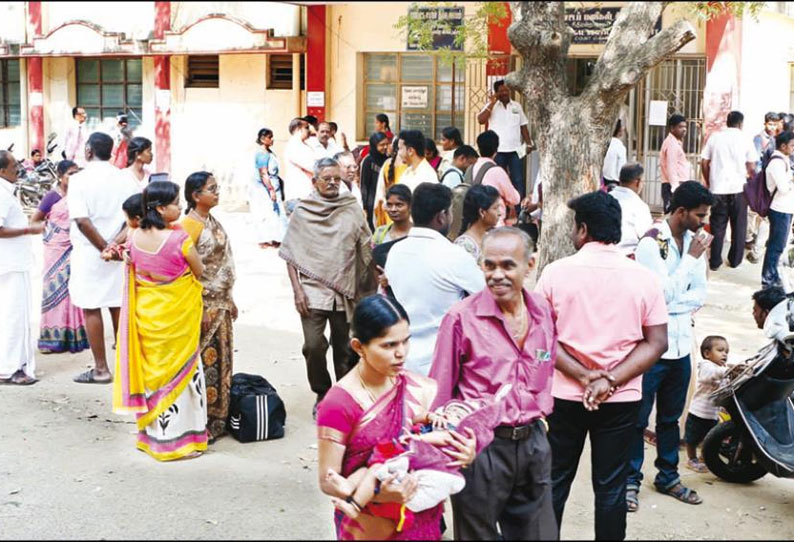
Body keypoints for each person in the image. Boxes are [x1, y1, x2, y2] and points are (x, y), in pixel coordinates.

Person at [534, 191, 669, 541]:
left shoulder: (554, 273)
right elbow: (657, 343)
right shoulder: (643, 278)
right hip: (620, 399)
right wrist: (609, 380)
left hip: (563, 396)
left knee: (554, 482)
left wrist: (582, 376)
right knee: (611, 488)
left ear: (582, 230)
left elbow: (540, 339)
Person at [431, 227, 558, 540]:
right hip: (479, 448)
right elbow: (439, 395)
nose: (497, 275)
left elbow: (546, 368)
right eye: (489, 265)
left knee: (541, 534)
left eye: (507, 265)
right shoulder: (461, 318)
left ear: (529, 265)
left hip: (533, 443)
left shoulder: (543, 310)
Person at [316, 294, 476, 540]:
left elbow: (428, 448)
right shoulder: (339, 403)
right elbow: (328, 481)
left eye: (405, 342)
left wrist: (463, 454)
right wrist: (381, 493)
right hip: (367, 525)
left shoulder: (417, 387)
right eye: (389, 345)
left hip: (420, 520)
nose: (401, 353)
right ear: (359, 347)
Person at [627, 181, 714, 511]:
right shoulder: (652, 243)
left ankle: (668, 476)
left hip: (680, 346)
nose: (703, 222)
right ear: (681, 212)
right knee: (637, 418)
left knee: (669, 418)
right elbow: (660, 296)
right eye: (699, 215)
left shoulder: (694, 241)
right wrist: (689, 264)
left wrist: (674, 299)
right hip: (652, 348)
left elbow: (699, 295)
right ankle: (630, 481)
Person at [113, 180, 208, 461]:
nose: (180, 207)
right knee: (182, 376)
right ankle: (181, 443)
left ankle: (154, 438)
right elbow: (199, 271)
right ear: (161, 208)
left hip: (147, 314)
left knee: (155, 374)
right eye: (177, 203)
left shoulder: (133, 237)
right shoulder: (180, 240)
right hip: (177, 318)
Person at [280, 157, 376, 418]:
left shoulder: (350, 207)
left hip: (346, 289)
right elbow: (290, 252)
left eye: (337, 178)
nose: (333, 183)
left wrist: (370, 281)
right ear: (314, 181)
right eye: (327, 179)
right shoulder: (304, 210)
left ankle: (342, 397)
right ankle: (322, 391)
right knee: (313, 346)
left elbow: (365, 245)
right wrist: (297, 290)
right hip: (312, 290)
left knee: (346, 348)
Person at [385, 182, 485, 376]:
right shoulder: (453, 255)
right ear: (441, 217)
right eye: (450, 212)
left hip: (403, 356)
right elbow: (488, 295)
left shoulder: (395, 251)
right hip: (443, 359)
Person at [68, 132, 139, 384]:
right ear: (111, 152)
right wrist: (114, 246)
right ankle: (127, 368)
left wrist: (102, 248)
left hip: (90, 253)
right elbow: (134, 217)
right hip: (119, 252)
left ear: (88, 151)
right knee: (118, 305)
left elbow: (82, 220)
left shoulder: (78, 180)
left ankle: (101, 369)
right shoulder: (125, 178)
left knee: (91, 307)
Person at [181, 172, 238, 442]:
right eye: (211, 189)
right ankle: (201, 421)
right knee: (206, 363)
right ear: (195, 196)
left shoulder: (211, 221)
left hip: (222, 304)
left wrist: (230, 299)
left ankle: (219, 419)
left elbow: (222, 263)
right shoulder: (189, 226)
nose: (217, 192)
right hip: (204, 306)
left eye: (217, 187)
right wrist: (200, 307)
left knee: (223, 362)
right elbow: (185, 272)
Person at [28, 160, 88, 354]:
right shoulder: (52, 197)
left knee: (73, 290)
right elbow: (34, 220)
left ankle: (73, 338)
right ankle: (51, 340)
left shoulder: (79, 196)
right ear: (60, 176)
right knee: (53, 292)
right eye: (70, 173)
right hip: (55, 249)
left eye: (77, 173)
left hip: (74, 247)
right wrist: (54, 230)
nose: (74, 177)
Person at [0, 150, 42, 385]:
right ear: (2, 170)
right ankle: (12, 368)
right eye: (14, 165)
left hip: (9, 263)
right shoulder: (2, 194)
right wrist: (29, 230)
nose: (19, 168)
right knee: (15, 317)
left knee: (8, 316)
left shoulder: (7, 191)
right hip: (12, 264)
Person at [700, 110, 757, 271]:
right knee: (739, 225)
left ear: (727, 122)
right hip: (739, 188)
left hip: (718, 188)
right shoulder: (746, 139)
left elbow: (704, 162)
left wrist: (709, 180)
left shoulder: (715, 137)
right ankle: (735, 260)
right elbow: (752, 166)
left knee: (717, 225)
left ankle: (715, 261)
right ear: (741, 123)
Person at [476, 79, 534, 200]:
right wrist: (491, 103)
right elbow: (481, 120)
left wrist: (529, 143)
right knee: (498, 180)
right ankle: (500, 207)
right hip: (498, 151)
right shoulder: (491, 106)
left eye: (506, 90)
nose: (504, 93)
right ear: (496, 92)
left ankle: (519, 211)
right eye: (501, 91)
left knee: (517, 179)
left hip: (515, 150)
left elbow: (523, 126)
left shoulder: (517, 106)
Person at [684, 336, 730, 473]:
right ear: (707, 353)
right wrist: (727, 371)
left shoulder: (723, 369)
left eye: (727, 351)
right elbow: (709, 376)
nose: (724, 354)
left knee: (709, 439)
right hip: (698, 412)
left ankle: (704, 458)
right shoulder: (706, 366)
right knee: (692, 438)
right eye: (720, 350)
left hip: (713, 414)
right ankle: (691, 459)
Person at [761, 131, 794, 289]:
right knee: (775, 246)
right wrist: (791, 179)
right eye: (792, 145)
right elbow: (783, 187)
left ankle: (772, 275)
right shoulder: (776, 162)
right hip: (779, 209)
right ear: (783, 146)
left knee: (779, 245)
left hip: (785, 208)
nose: (793, 148)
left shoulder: (784, 160)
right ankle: (768, 279)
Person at [472, 130, 521, 226]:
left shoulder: (473, 167)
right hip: (495, 224)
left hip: (477, 222)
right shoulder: (497, 171)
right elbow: (514, 199)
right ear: (496, 149)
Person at [251, 127, 287, 249]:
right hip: (265, 188)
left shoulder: (269, 153)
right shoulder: (261, 155)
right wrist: (270, 189)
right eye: (269, 137)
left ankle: (277, 238)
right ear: (262, 139)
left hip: (274, 184)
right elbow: (263, 173)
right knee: (267, 213)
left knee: (276, 213)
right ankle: (265, 239)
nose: (272, 140)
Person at [609, 163, 653, 255]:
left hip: (602, 253)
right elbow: (646, 237)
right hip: (626, 255)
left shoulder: (606, 198)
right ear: (638, 182)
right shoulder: (639, 206)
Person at [454, 184, 502, 262]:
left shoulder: (490, 237)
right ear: (482, 212)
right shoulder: (465, 245)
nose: (499, 213)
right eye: (495, 208)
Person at [659, 114, 692, 214]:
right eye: (680, 127)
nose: (684, 130)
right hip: (673, 186)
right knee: (674, 216)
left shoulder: (675, 142)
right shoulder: (672, 144)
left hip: (675, 185)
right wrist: (675, 189)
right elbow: (671, 166)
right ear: (672, 128)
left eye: (685, 127)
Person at [373, 139, 407, 228]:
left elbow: (380, 191)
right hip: (402, 211)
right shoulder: (409, 166)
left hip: (388, 208)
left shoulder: (387, 164)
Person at [284, 117, 315, 213]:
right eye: (306, 128)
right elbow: (312, 166)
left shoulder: (304, 145)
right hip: (298, 195)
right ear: (298, 129)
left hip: (307, 194)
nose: (309, 131)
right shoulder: (294, 146)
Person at [360, 133, 390, 230]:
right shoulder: (368, 161)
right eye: (381, 145)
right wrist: (364, 206)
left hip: (383, 200)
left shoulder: (388, 160)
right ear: (374, 145)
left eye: (387, 144)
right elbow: (364, 185)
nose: (385, 147)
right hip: (371, 201)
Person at [602, 120, 627, 190]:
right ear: (619, 130)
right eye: (622, 126)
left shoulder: (604, 144)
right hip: (615, 183)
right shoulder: (620, 147)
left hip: (602, 181)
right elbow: (621, 169)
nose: (624, 128)